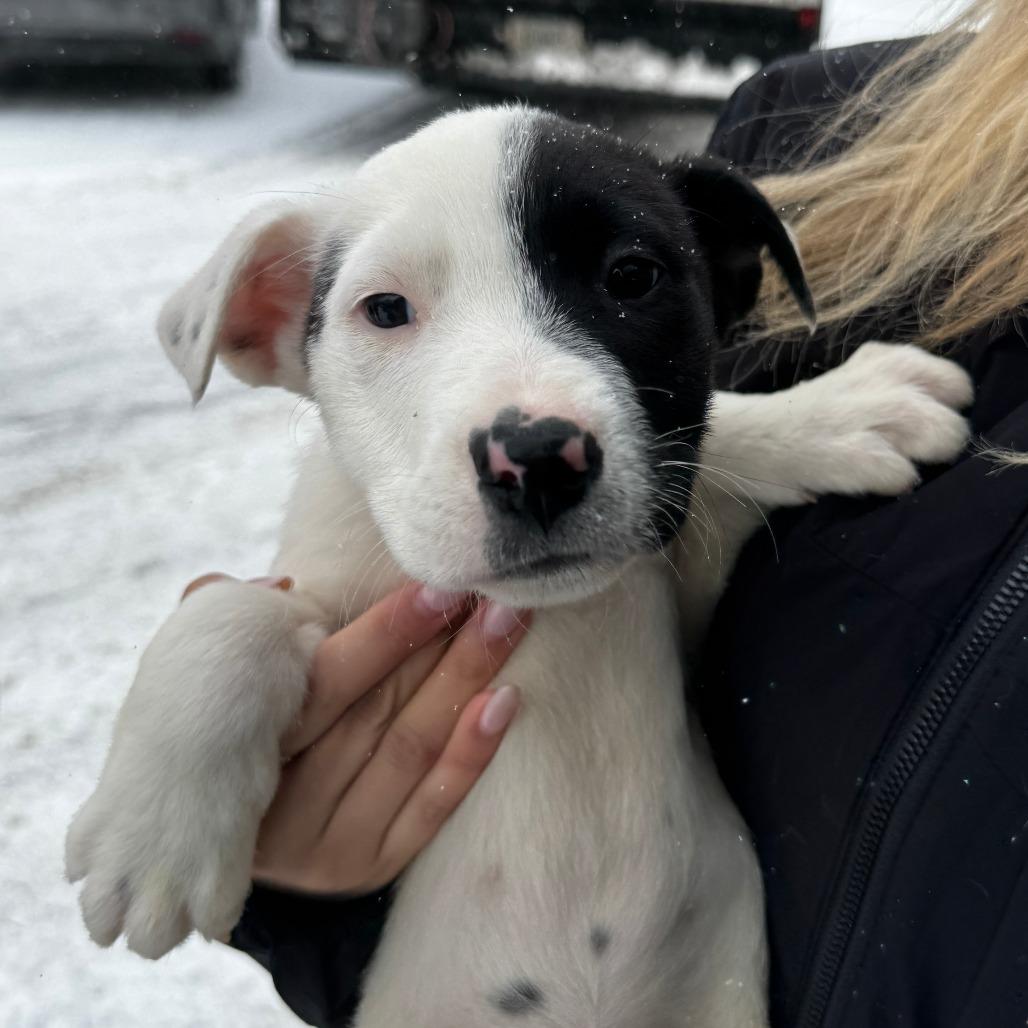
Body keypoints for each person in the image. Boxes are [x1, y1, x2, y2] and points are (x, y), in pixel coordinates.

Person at [209, 1, 1028, 1023]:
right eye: (387, 310)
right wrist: (306, 884)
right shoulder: (826, 133)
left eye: (629, 280)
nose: (529, 442)